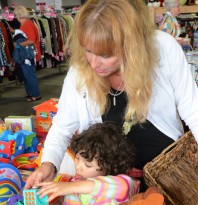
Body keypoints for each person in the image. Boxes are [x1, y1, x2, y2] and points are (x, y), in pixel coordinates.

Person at [25, 0, 198, 192]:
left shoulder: (163, 49)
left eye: (105, 55)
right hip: (106, 190)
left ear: (132, 47)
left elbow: (193, 111)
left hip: (170, 179)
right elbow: (61, 128)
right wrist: (49, 164)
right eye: (88, 50)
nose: (94, 63)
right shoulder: (80, 72)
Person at [38, 122, 139, 205]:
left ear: (110, 166)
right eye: (77, 159)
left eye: (88, 165)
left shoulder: (120, 186)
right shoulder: (71, 187)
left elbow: (125, 186)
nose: (78, 167)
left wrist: (71, 187)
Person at [14, 5, 41, 102]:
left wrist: (18, 44)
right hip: (27, 54)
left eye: (16, 14)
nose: (15, 17)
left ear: (19, 15)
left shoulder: (27, 25)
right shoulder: (26, 24)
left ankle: (35, 95)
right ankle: (31, 93)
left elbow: (31, 40)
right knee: (27, 75)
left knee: (29, 75)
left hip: (28, 55)